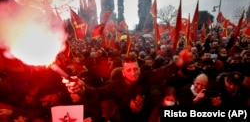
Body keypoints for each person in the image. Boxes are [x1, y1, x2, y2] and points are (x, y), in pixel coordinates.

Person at [62, 50, 191, 122]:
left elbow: (161, 72)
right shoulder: (115, 86)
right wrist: (83, 88)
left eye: (135, 69)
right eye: (128, 70)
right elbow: (98, 93)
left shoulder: (145, 77)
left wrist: (178, 63)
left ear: (139, 69)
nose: (133, 73)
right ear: (123, 72)